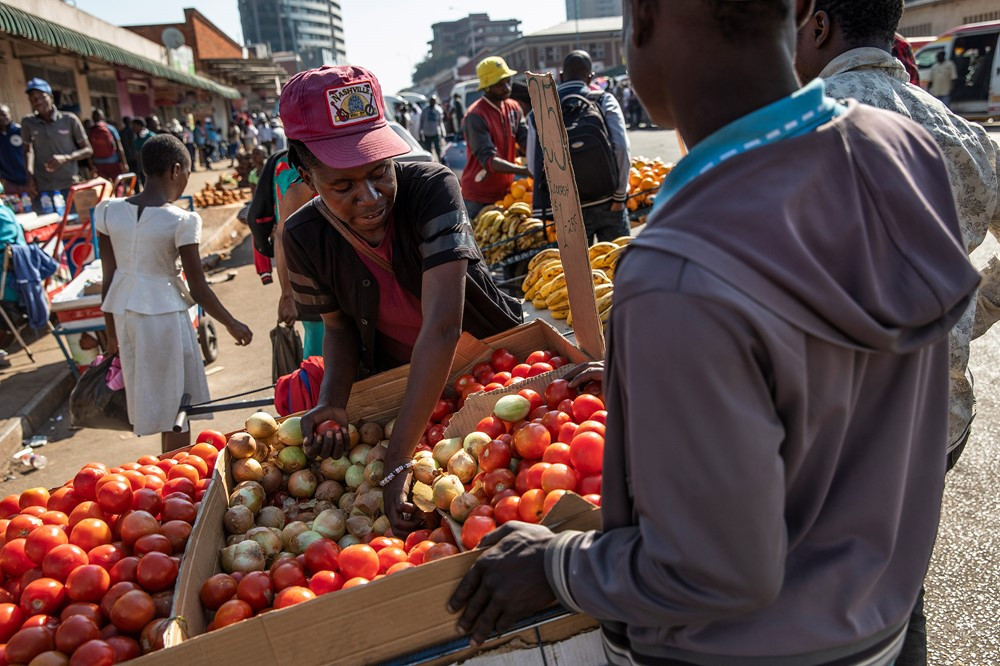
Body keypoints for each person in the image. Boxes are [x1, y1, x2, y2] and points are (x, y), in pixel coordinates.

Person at [447, 3, 981, 665]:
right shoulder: (902, 149)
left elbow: (714, 570)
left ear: (641, 19)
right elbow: (839, 378)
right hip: (880, 625)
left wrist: (556, 567)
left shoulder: (677, 269)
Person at [795, 1, 1000, 662]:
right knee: (900, 596)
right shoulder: (963, 133)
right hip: (940, 418)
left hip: (835, 439)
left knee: (821, 617)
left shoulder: (796, 127)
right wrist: (972, 314)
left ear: (817, 23)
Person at [278, 65, 522, 531]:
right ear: (307, 177)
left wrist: (397, 457)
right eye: (343, 186)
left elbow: (443, 326)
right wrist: (332, 398)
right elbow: (338, 329)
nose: (370, 197)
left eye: (379, 172)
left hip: (488, 366)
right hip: (404, 390)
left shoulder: (432, 188)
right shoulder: (304, 236)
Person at [96, 134, 252, 453]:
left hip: (125, 313)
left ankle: (167, 469)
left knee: (154, 400)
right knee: (178, 405)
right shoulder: (182, 220)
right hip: (164, 316)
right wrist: (232, 323)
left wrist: (110, 332)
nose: (186, 182)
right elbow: (198, 286)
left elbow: (108, 276)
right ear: (176, 169)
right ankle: (176, 470)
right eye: (188, 174)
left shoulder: (107, 212)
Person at [528, 50, 631, 244]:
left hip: (568, 210)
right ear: (590, 76)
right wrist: (619, 196)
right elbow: (621, 148)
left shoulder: (538, 113)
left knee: (578, 273)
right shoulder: (603, 100)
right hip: (608, 201)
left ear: (560, 76)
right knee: (618, 265)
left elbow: (535, 167)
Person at [461, 56, 530, 220]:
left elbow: (525, 139)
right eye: (500, 84)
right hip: (478, 197)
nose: (506, 88)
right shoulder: (475, 116)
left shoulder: (514, 107)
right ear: (486, 88)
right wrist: (524, 170)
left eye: (508, 81)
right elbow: (489, 160)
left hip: (507, 192)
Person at [21, 79, 93, 210]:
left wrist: (66, 158)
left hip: (69, 185)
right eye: (33, 99)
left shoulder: (69, 120)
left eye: (41, 97)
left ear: (51, 97)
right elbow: (27, 150)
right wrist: (29, 177)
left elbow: (88, 150)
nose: (37, 101)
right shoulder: (28, 123)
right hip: (43, 189)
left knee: (74, 226)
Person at [88, 109, 128, 182]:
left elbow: (89, 149)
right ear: (103, 117)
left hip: (98, 163)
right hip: (113, 161)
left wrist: (91, 166)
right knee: (118, 184)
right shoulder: (110, 128)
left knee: (105, 186)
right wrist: (124, 163)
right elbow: (119, 147)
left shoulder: (90, 131)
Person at [0, 105, 29, 197]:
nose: (1, 118)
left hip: (27, 180)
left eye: (3, 114)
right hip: (9, 183)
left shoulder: (20, 131)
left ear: (10, 114)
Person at [419, 95, 447, 161]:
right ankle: (430, 162)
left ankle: (441, 160)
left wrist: (443, 132)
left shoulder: (438, 110)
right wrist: (420, 132)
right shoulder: (425, 110)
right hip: (427, 133)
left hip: (436, 132)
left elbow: (440, 122)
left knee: (438, 148)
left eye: (434, 101)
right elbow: (421, 121)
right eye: (431, 101)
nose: (433, 102)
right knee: (428, 149)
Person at [131, 118, 153, 186]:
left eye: (134, 126)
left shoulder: (150, 136)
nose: (133, 128)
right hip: (142, 166)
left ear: (140, 126)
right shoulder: (136, 138)